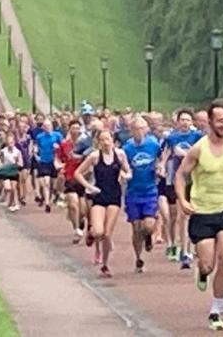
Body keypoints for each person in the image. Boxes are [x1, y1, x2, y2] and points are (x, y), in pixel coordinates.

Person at [175, 98, 223, 332]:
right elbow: (181, 175)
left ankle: (216, 310)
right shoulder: (199, 148)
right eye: (219, 120)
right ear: (209, 122)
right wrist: (183, 200)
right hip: (202, 210)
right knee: (208, 264)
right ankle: (203, 271)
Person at [75, 129, 132, 277]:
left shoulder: (120, 154)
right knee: (99, 231)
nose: (106, 142)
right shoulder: (94, 157)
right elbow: (78, 173)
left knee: (107, 234)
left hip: (114, 196)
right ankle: (92, 233)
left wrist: (126, 176)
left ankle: (105, 264)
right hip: (99, 196)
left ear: (113, 140)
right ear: (98, 142)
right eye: (102, 140)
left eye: (108, 139)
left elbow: (129, 171)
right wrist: (89, 187)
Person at [122, 116, 163, 273]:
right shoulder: (127, 148)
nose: (139, 132)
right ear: (131, 131)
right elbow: (122, 165)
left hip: (150, 190)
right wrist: (124, 174)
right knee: (136, 227)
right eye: (136, 129)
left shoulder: (153, 144)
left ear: (146, 129)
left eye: (142, 128)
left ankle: (149, 235)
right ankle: (139, 258)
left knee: (148, 225)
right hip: (133, 192)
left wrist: (160, 167)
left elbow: (161, 158)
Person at [164, 108, 203, 267]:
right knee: (182, 215)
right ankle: (184, 250)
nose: (185, 122)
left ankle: (194, 246)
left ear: (192, 122)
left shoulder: (198, 137)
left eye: (188, 120)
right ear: (178, 122)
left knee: (197, 214)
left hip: (196, 179)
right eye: (183, 120)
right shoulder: (172, 137)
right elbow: (169, 153)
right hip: (179, 179)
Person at [57, 120, 88, 242]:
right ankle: (77, 230)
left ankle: (78, 221)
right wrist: (59, 167)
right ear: (70, 130)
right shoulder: (65, 144)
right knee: (73, 205)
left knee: (83, 211)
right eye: (73, 128)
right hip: (70, 177)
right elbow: (58, 159)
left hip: (84, 178)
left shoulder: (86, 144)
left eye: (77, 128)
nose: (76, 130)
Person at [33, 119, 61, 213]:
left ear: (52, 127)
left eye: (49, 126)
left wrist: (58, 147)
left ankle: (54, 194)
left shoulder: (57, 135)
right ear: (43, 128)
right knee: (46, 182)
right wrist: (36, 153)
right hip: (43, 161)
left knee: (53, 184)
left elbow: (63, 146)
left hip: (54, 162)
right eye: (45, 126)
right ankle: (47, 203)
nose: (47, 128)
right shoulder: (39, 137)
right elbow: (36, 146)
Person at [0, 131, 23, 212]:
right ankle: (11, 202)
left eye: (11, 142)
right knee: (8, 188)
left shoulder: (17, 152)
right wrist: (0, 164)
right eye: (8, 143)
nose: (10, 144)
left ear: (14, 142)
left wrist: (16, 163)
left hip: (13, 172)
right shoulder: (3, 151)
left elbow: (21, 164)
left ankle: (14, 203)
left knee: (13, 188)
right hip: (5, 172)